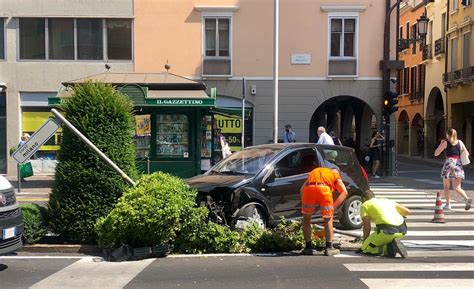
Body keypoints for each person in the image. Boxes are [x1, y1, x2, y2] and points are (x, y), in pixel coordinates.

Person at [299, 167, 348, 256]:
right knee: (328, 219)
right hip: (324, 190)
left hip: (308, 189)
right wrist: (334, 206)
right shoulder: (335, 174)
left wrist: (306, 202)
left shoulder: (316, 171)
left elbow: (302, 189)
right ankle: (329, 248)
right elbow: (344, 192)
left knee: (306, 220)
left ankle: (308, 247)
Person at [358, 190, 409, 258]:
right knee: (381, 236)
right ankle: (392, 244)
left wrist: (365, 242)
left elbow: (367, 227)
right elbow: (407, 211)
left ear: (363, 199)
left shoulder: (365, 205)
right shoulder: (386, 200)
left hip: (387, 231)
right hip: (402, 230)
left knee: (366, 249)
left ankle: (390, 248)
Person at [434, 128, 472, 211]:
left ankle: (448, 204)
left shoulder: (445, 142)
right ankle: (466, 198)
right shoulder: (460, 142)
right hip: (458, 164)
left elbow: (436, 153)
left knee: (446, 186)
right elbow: (467, 153)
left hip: (449, 164)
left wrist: (441, 144)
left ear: (448, 135)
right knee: (457, 187)